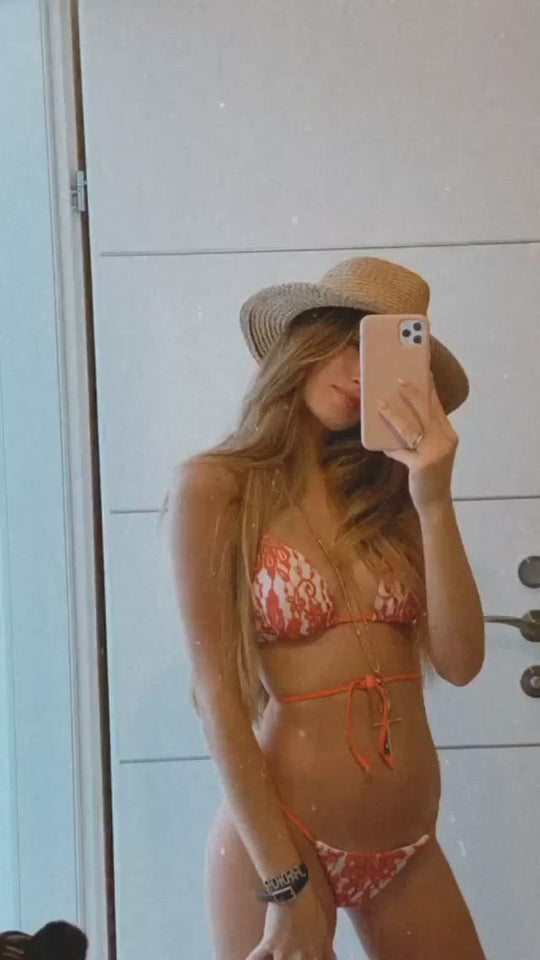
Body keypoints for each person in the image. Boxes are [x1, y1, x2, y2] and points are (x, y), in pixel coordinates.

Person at [164, 256, 487, 959]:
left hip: (408, 842)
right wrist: (284, 885)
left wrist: (434, 498)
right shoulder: (215, 488)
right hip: (283, 844)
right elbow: (217, 697)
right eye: (347, 342)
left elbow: (461, 662)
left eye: (383, 353)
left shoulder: (394, 490)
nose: (361, 372)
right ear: (302, 342)